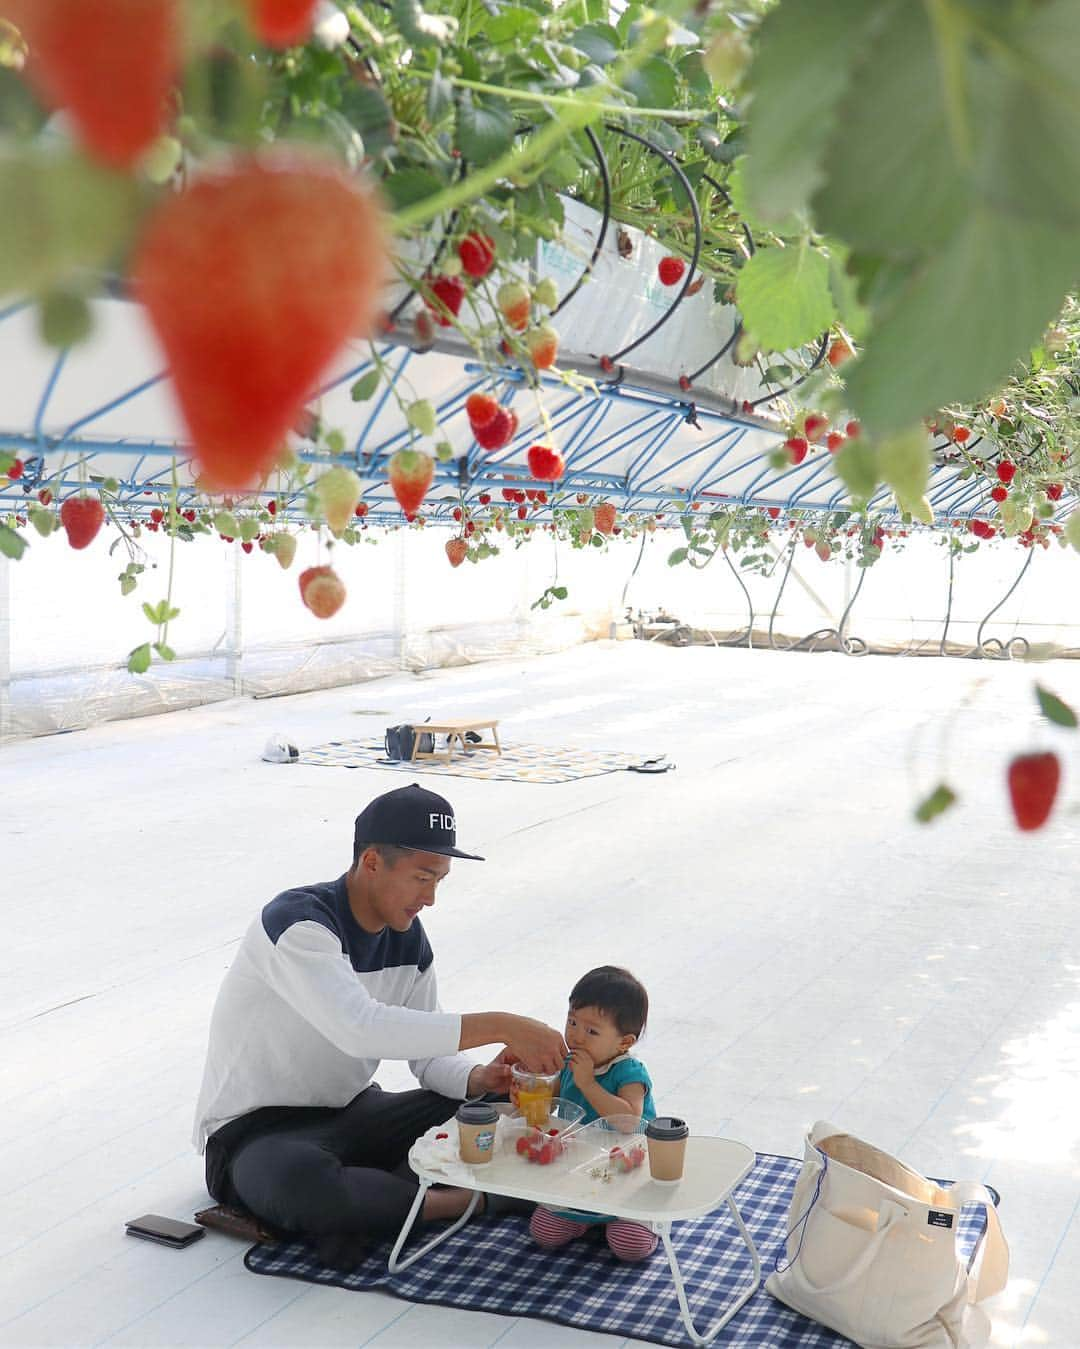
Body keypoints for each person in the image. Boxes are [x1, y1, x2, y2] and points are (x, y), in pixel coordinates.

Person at [193, 782, 567, 1264]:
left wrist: (478, 1078)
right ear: (371, 862)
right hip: (257, 1134)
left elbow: (429, 1058)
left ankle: (387, 1202)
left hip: (353, 1114)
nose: (430, 898)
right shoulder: (298, 925)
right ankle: (469, 1200)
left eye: (440, 881)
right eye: (422, 877)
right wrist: (502, 1024)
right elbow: (359, 1028)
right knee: (302, 1182)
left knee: (489, 1104)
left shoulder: (408, 940)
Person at [529, 966, 658, 1262]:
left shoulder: (628, 1072)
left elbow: (628, 1122)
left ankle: (642, 1222)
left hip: (627, 1174)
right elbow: (555, 1104)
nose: (575, 1036)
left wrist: (587, 1083)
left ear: (624, 1042)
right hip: (578, 1172)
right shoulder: (570, 1063)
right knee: (544, 1233)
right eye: (572, 1022)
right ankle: (582, 1221)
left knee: (630, 1246)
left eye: (591, 1031)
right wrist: (533, 1094)